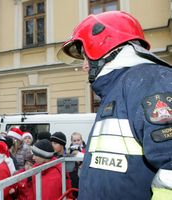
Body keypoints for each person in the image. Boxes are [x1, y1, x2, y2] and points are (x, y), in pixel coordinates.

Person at [57, 10, 172, 199]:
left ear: (104, 47)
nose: (84, 66)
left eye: (85, 57)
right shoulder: (120, 88)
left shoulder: (149, 82)